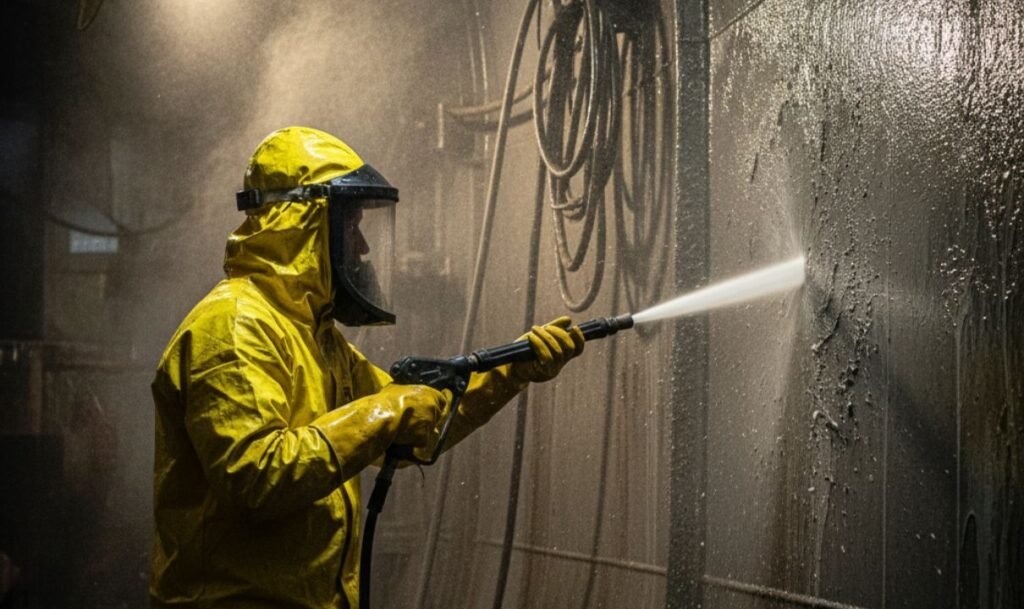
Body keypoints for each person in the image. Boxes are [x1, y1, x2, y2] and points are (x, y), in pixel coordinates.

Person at [150, 126, 584, 609]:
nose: (362, 248)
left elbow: (415, 428)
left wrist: (512, 372)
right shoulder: (232, 327)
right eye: (351, 226)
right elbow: (257, 480)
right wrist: (386, 413)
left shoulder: (316, 339)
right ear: (305, 223)